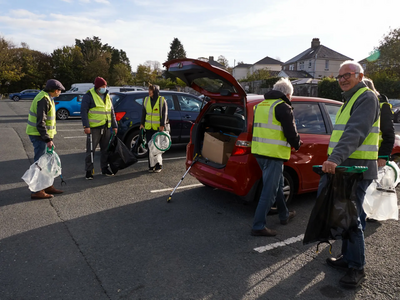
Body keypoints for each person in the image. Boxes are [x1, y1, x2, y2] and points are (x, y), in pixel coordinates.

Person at [321, 61, 380, 288]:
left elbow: (355, 131)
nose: (343, 79)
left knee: (353, 220)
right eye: (340, 77)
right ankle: (348, 258)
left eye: (348, 75)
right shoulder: (350, 99)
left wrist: (334, 158)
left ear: (360, 75)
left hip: (358, 169)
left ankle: (357, 267)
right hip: (347, 169)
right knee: (347, 217)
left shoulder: (366, 98)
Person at [250, 77, 301, 237]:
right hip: (274, 155)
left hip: (259, 152)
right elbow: (291, 133)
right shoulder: (283, 107)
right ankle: (258, 226)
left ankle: (284, 215)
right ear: (287, 94)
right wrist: (298, 143)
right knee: (269, 191)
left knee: (278, 185)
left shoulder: (260, 106)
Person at [361, 77, 395, 227]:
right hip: (364, 154)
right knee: (367, 189)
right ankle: (366, 213)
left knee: (375, 189)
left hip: (376, 154)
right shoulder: (362, 105)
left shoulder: (382, 106)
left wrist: (383, 156)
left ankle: (374, 214)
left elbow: (389, 133)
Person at [26, 79, 65, 199]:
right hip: (39, 136)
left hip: (42, 135)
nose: (60, 92)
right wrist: (48, 139)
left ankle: (47, 186)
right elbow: (40, 122)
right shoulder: (43, 99)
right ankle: (37, 190)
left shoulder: (48, 98)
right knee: (40, 163)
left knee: (47, 163)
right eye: (59, 90)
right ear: (54, 90)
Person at [81, 77, 118, 180]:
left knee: (105, 150)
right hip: (94, 128)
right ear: (97, 87)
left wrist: (115, 126)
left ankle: (104, 168)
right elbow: (83, 112)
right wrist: (86, 126)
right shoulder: (89, 96)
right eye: (102, 86)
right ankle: (89, 171)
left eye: (105, 86)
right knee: (91, 150)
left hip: (106, 127)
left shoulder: (108, 96)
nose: (104, 88)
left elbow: (112, 112)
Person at [139, 84, 168, 173]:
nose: (149, 92)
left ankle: (158, 165)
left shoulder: (161, 100)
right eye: (149, 90)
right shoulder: (146, 100)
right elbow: (144, 112)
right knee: (150, 147)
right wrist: (142, 123)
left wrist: (162, 125)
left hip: (157, 128)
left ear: (155, 91)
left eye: (151, 90)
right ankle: (151, 166)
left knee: (157, 148)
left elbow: (164, 113)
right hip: (148, 127)